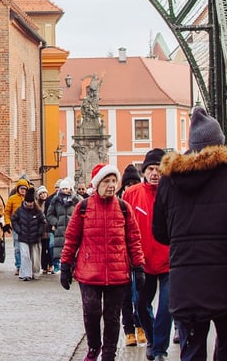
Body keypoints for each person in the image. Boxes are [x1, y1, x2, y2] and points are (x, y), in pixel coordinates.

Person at [152, 108, 227, 361]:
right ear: (220, 143)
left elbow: (160, 233)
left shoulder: (168, 180)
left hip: (187, 282)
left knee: (193, 351)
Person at [60, 164, 145, 361]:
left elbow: (133, 239)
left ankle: (109, 354)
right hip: (89, 272)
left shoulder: (124, 208)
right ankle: (93, 347)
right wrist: (65, 265)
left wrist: (139, 266)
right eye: (106, 181)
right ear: (97, 184)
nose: (111, 185)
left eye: (114, 181)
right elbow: (72, 238)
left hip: (117, 272)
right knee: (91, 312)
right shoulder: (84, 207)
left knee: (112, 317)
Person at [122, 149, 172, 361]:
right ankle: (152, 339)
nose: (155, 173)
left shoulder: (172, 192)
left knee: (167, 306)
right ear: (144, 171)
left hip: (170, 260)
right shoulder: (131, 194)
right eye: (151, 169)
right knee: (142, 305)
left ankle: (160, 349)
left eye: (159, 169)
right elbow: (124, 227)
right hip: (143, 262)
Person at [118, 164, 145, 347]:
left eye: (135, 182)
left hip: (137, 255)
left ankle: (140, 325)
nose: (131, 186)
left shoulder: (141, 198)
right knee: (125, 297)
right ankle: (128, 330)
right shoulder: (117, 203)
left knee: (139, 295)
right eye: (128, 183)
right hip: (121, 257)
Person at [46, 177, 78, 275]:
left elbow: (81, 212)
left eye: (66, 188)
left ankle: (73, 270)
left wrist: (76, 222)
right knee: (60, 251)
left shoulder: (76, 200)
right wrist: (56, 222)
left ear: (70, 189)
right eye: (63, 189)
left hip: (73, 229)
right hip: (60, 230)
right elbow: (49, 214)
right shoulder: (55, 200)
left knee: (73, 250)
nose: (64, 191)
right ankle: (60, 268)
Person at [11, 188, 45, 281]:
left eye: (31, 202)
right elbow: (14, 220)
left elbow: (43, 222)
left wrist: (39, 232)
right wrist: (18, 230)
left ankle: (34, 272)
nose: (29, 204)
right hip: (23, 236)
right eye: (28, 202)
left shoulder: (37, 211)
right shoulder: (20, 210)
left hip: (35, 236)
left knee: (35, 256)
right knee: (25, 255)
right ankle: (26, 274)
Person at [4, 177, 31, 275]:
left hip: (28, 226)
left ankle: (26, 265)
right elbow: (7, 212)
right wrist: (7, 223)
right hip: (16, 226)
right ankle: (19, 266)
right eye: (21, 188)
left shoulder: (30, 199)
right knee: (17, 247)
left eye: (25, 189)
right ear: (18, 188)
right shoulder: (12, 199)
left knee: (27, 247)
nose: (23, 190)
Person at [35, 185, 52, 274]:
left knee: (50, 247)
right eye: (41, 194)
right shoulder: (37, 204)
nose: (43, 195)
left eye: (44, 193)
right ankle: (44, 266)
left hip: (49, 228)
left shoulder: (50, 202)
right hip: (41, 229)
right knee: (42, 248)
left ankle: (51, 264)